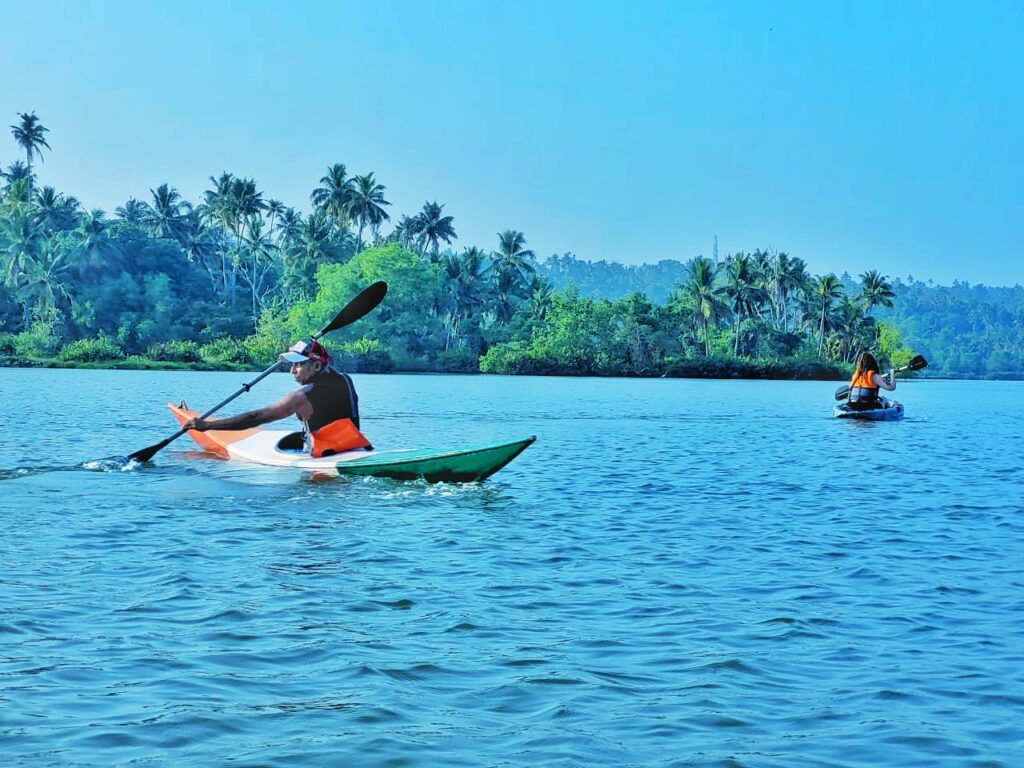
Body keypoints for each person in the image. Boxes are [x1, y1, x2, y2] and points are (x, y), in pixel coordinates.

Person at [183, 339, 371, 456]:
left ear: (316, 366)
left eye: (298, 365)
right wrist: (310, 346)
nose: (292, 371)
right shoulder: (345, 379)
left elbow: (256, 418)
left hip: (326, 456)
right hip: (356, 448)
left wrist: (207, 426)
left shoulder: (299, 398)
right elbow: (325, 370)